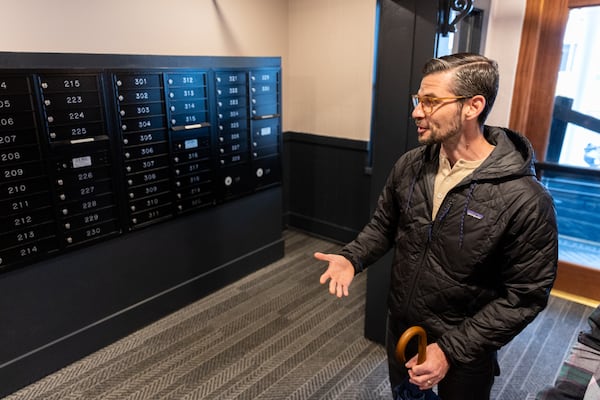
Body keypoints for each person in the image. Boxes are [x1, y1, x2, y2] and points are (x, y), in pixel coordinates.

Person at [314, 53, 558, 400]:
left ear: (473, 106)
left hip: (466, 350)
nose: (417, 112)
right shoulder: (410, 165)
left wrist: (451, 350)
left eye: (430, 102)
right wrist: (353, 258)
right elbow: (384, 225)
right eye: (418, 100)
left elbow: (525, 297)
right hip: (403, 330)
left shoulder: (526, 199)